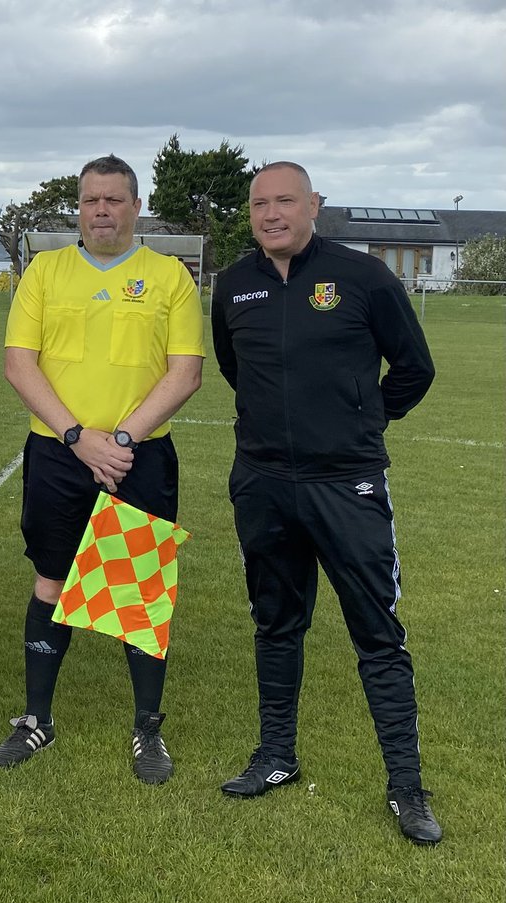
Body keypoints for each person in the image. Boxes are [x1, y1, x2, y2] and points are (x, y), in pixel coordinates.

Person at [211, 161, 440, 844]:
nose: (272, 213)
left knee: (377, 635)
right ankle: (276, 757)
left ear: (314, 204)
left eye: (285, 200)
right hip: (262, 483)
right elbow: (235, 369)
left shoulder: (364, 277)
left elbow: (414, 368)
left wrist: (359, 424)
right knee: (276, 624)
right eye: (260, 203)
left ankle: (406, 788)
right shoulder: (235, 284)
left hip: (348, 485)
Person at [0, 155, 203, 782]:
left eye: (113, 199)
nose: (101, 210)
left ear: (135, 207)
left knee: (137, 590)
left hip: (139, 455)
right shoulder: (46, 273)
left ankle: (147, 729)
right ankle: (37, 719)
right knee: (52, 581)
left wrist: (122, 440)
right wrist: (79, 437)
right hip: (60, 453)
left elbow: (185, 370)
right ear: (78, 208)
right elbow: (20, 365)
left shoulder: (168, 277)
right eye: (90, 200)